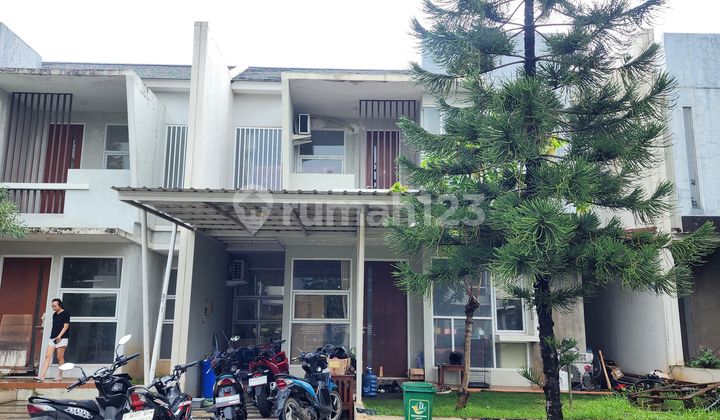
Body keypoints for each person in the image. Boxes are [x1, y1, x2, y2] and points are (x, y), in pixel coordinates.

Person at [36, 298, 70, 382]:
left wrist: (59, 336)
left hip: (62, 338)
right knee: (47, 356)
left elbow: (66, 326)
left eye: (55, 306)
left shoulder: (65, 313)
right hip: (53, 338)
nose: (53, 308)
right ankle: (42, 376)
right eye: (52, 306)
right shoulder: (54, 314)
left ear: (59, 305)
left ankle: (59, 375)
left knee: (59, 357)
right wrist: (54, 336)